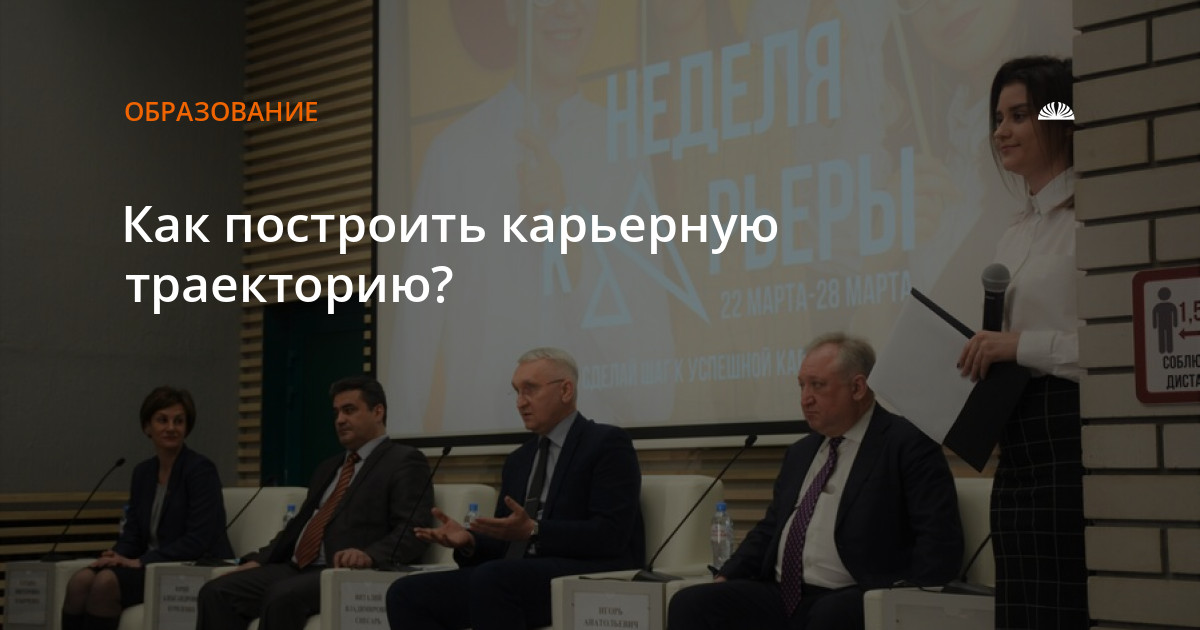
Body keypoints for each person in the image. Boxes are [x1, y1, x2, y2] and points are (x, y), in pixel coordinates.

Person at [669, 333, 962, 630]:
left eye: (818, 385)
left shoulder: (907, 444)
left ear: (858, 387)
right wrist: (728, 574)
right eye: (802, 386)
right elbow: (771, 528)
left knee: (829, 614)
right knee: (690, 603)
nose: (805, 398)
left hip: (859, 593)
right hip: (783, 593)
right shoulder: (801, 452)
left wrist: (909, 598)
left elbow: (938, 538)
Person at [385, 347, 644, 630]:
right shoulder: (519, 460)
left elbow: (611, 534)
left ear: (566, 390)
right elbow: (506, 539)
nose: (520, 402)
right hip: (515, 575)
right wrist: (470, 542)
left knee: (494, 579)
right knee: (406, 593)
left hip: (582, 571)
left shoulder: (606, 443)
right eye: (517, 392)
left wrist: (535, 530)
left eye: (530, 390)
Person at [957, 55, 1084, 629]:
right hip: (1017, 435)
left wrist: (1017, 347)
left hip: (1072, 432)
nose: (1001, 131)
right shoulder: (1014, 230)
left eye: (1020, 115)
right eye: (998, 118)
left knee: (1065, 604)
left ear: (1059, 119)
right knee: (1020, 606)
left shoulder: (1091, 219)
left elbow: (1116, 349)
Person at [196, 376, 432, 630]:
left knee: (281, 596)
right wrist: (259, 560)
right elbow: (298, 526)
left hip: (343, 572)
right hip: (297, 567)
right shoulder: (328, 467)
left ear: (378, 412)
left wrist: (369, 555)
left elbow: (413, 531)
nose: (340, 420)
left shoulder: (404, 461)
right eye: (336, 412)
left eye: (349, 410)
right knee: (216, 591)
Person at [61, 386, 232, 630]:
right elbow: (133, 534)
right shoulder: (143, 473)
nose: (171, 428)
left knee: (106, 583)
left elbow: (199, 539)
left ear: (187, 428)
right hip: (151, 565)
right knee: (81, 580)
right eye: (162, 420)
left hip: (187, 567)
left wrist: (141, 561)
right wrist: (116, 556)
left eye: (178, 421)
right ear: (147, 427)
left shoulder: (200, 470)